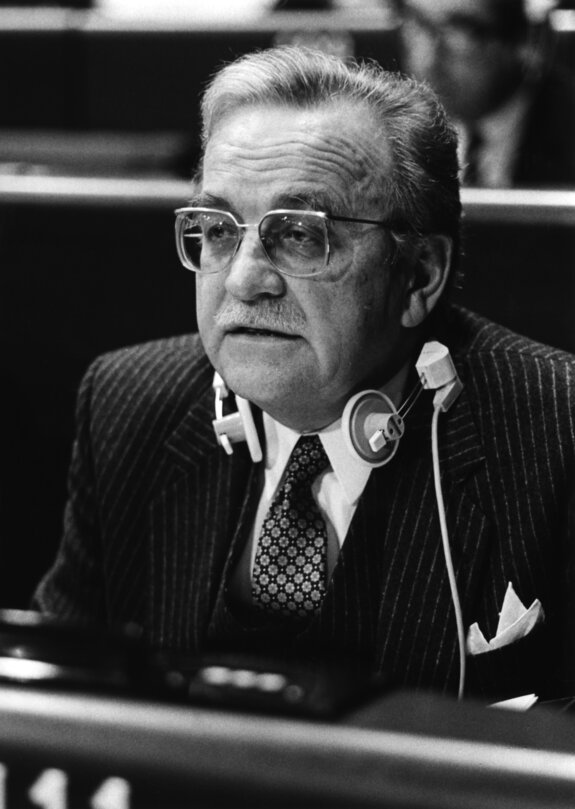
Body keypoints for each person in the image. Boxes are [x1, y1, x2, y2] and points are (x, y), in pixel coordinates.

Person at [34, 46, 575, 703]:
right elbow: (61, 700)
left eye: (298, 234)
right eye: (217, 230)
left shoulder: (555, 430)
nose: (243, 279)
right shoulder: (129, 405)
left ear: (419, 276)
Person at [392, 0, 575, 187]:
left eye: (460, 30)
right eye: (416, 21)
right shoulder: (388, 126)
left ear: (529, 40)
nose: (427, 57)